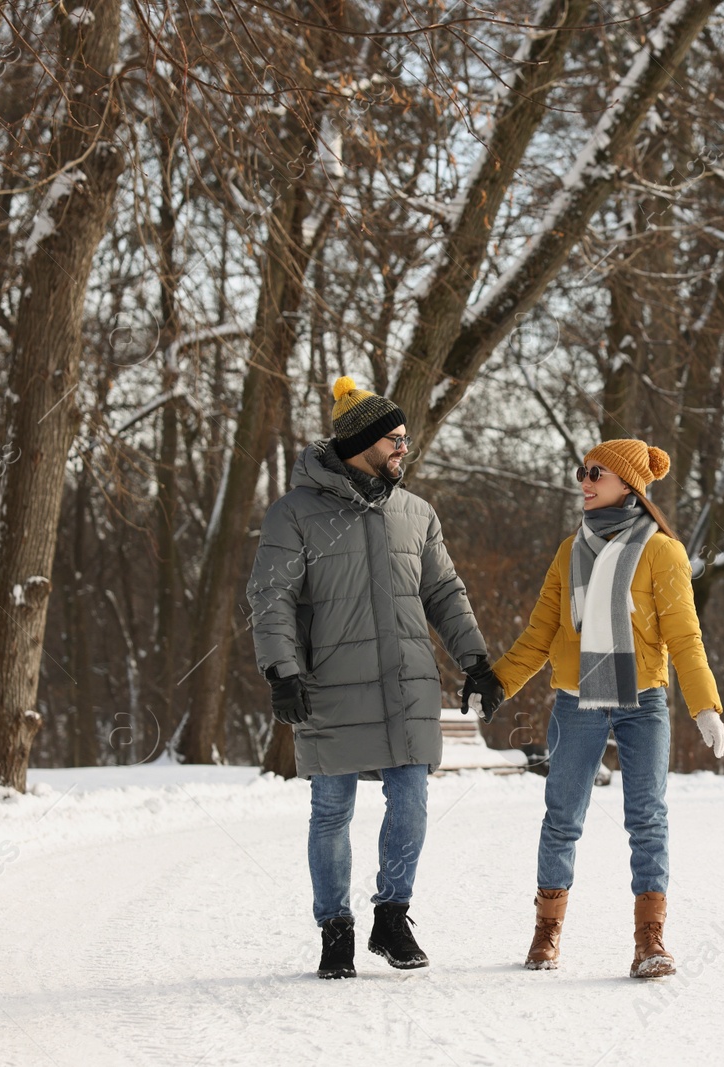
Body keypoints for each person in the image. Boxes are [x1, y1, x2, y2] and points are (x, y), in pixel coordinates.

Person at [246, 376, 505, 979]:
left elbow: (444, 591)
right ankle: (335, 928)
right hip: (329, 682)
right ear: (361, 441)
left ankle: (392, 915)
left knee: (411, 800)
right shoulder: (295, 514)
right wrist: (281, 670)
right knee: (331, 810)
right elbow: (271, 597)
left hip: (408, 681)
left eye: (405, 439)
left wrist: (476, 660)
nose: (403, 449)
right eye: (394, 439)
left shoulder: (416, 513)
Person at [491, 438, 724, 979]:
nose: (584, 479)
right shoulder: (569, 549)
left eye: (596, 471)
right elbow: (540, 633)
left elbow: (685, 638)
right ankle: (546, 932)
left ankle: (650, 940)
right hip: (577, 700)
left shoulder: (662, 551)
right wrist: (497, 683)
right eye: (582, 470)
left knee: (647, 818)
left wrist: (704, 705)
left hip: (643, 701)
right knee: (562, 818)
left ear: (629, 484)